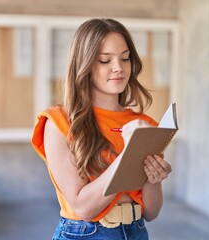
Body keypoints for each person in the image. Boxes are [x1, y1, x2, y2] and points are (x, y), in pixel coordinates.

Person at [31, 18, 172, 240]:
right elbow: (84, 208)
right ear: (84, 65)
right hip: (85, 233)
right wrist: (130, 155)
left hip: (136, 231)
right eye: (105, 60)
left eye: (125, 58)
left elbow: (151, 212)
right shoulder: (59, 122)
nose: (119, 68)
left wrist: (153, 181)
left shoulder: (144, 125)